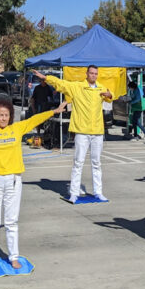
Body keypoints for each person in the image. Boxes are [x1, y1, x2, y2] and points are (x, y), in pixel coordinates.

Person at [0, 98, 67, 271]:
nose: (3, 118)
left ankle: (13, 257)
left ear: (10, 116)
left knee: (11, 222)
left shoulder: (16, 129)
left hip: (13, 180)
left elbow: (34, 120)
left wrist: (54, 111)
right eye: (0, 115)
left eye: (6, 115)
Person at [33, 66, 113, 203]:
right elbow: (61, 84)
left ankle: (98, 192)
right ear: (86, 74)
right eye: (91, 73)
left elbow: (111, 95)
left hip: (97, 132)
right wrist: (46, 78)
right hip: (82, 131)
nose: (93, 76)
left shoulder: (101, 88)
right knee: (78, 162)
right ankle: (74, 193)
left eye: (95, 74)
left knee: (97, 163)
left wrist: (109, 95)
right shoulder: (77, 87)